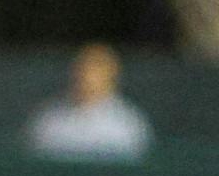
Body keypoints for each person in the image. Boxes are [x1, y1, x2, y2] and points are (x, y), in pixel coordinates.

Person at [25, 41, 154, 163]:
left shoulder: (129, 125)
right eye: (81, 68)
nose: (86, 76)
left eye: (96, 69)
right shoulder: (48, 120)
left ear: (112, 75)